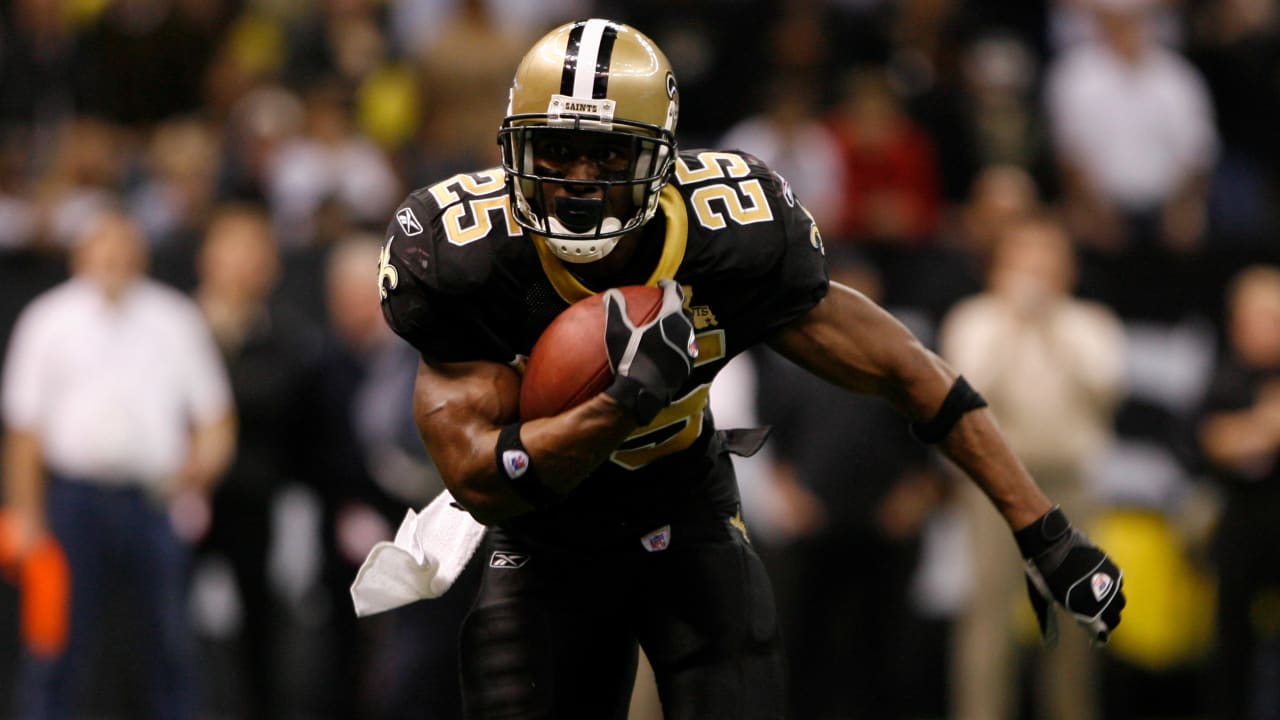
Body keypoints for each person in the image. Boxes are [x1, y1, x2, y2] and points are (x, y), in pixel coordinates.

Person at [375, 19, 1127, 719]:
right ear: (515, 149)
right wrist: (619, 405)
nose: (579, 179)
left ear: (662, 158)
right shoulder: (461, 256)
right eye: (557, 150)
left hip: (683, 510)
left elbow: (908, 370)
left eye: (609, 154)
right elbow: (479, 476)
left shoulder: (731, 231)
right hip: (540, 538)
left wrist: (1045, 534)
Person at [1, 209, 235, 720]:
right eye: (100, 244)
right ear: (79, 253)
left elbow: (216, 418)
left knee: (169, 639)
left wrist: (197, 476)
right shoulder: (47, 320)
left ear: (140, 253)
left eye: (122, 244)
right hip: (72, 503)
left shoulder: (175, 318)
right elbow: (23, 432)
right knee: (57, 642)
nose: (112, 256)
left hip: (153, 500)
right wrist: (26, 517)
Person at [939, 214, 1127, 720]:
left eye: (1049, 256)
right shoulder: (973, 319)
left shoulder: (1091, 322)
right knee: (988, 614)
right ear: (1000, 264)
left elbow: (1104, 390)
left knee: (1079, 615)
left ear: (1068, 266)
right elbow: (967, 393)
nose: (1038, 268)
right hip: (994, 483)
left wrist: (1050, 326)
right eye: (1025, 256)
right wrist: (1014, 325)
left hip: (1070, 485)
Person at [1194, 265, 1280, 720]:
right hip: (1240, 529)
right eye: (1255, 318)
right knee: (1232, 646)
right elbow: (1210, 440)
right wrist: (1264, 426)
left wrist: (1249, 431)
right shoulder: (1225, 373)